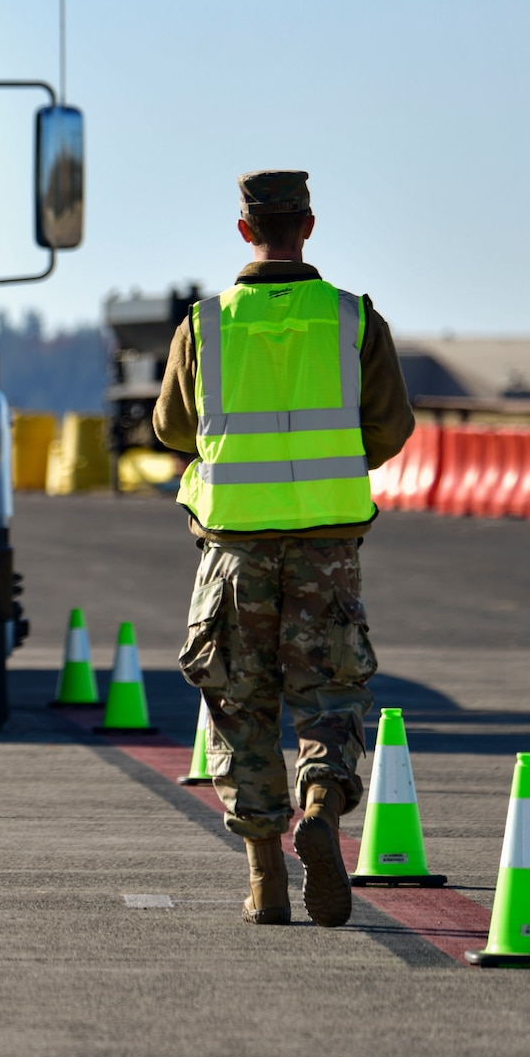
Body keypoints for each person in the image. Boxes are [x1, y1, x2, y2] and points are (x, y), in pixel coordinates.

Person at [153, 171, 415, 928]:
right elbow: (391, 430)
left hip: (233, 548)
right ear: (309, 225)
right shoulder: (353, 319)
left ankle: (265, 882)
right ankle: (324, 807)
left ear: (244, 230)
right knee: (329, 693)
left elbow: (173, 429)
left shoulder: (204, 324)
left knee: (241, 703)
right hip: (328, 547)